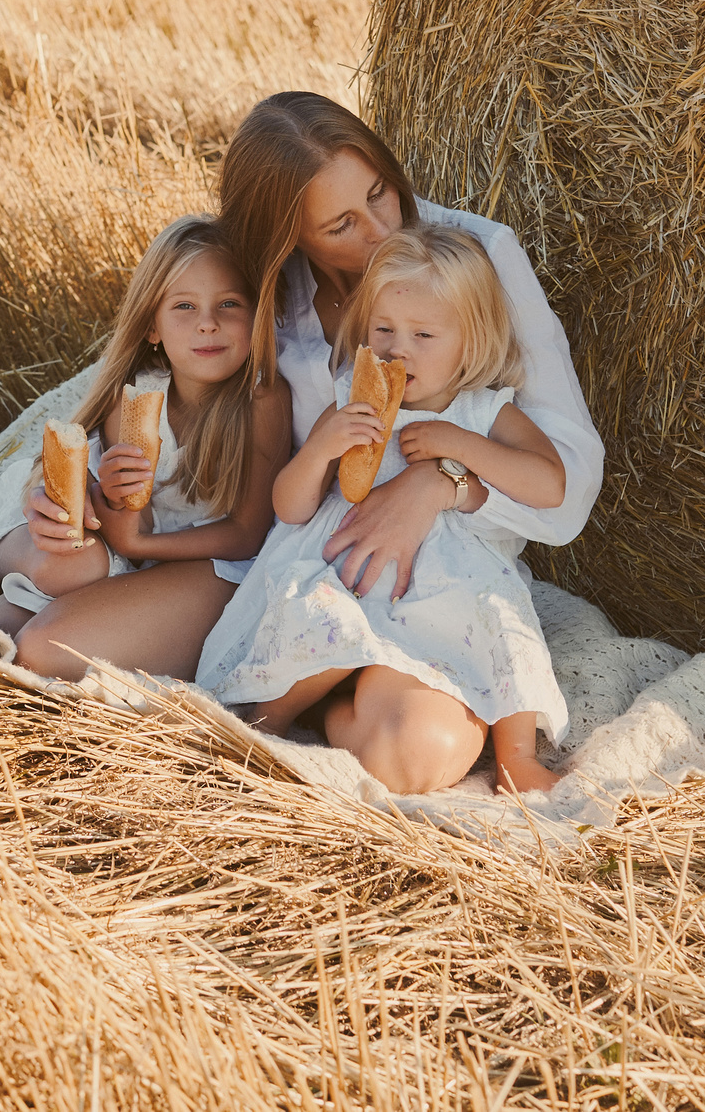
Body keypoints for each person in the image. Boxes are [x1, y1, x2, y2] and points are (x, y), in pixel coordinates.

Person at [11, 91, 603, 707]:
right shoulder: (256, 279)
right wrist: (62, 485)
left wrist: (439, 481)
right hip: (274, 553)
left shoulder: (475, 255)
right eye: (340, 225)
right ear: (287, 239)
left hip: (436, 562)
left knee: (404, 738)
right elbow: (142, 375)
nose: (383, 231)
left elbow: (571, 477)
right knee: (47, 650)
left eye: (378, 192)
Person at [198, 223, 568, 795]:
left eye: (424, 333)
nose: (399, 348)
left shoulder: (481, 411)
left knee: (502, 629)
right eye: (384, 329)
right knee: (297, 649)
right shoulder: (352, 399)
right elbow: (289, 508)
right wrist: (322, 446)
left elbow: (549, 484)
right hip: (349, 576)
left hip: (445, 597)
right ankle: (276, 717)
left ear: (470, 342)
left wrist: (461, 445)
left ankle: (515, 757)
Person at [0, 217, 288, 641]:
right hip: (102, 548)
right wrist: (110, 494)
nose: (208, 323)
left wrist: (139, 544)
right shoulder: (132, 400)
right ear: (152, 326)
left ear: (257, 315)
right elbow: (116, 514)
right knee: (66, 571)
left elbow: (246, 533)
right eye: (184, 306)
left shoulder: (264, 402)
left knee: (21, 633)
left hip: (160, 556)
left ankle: (6, 611)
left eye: (230, 304)